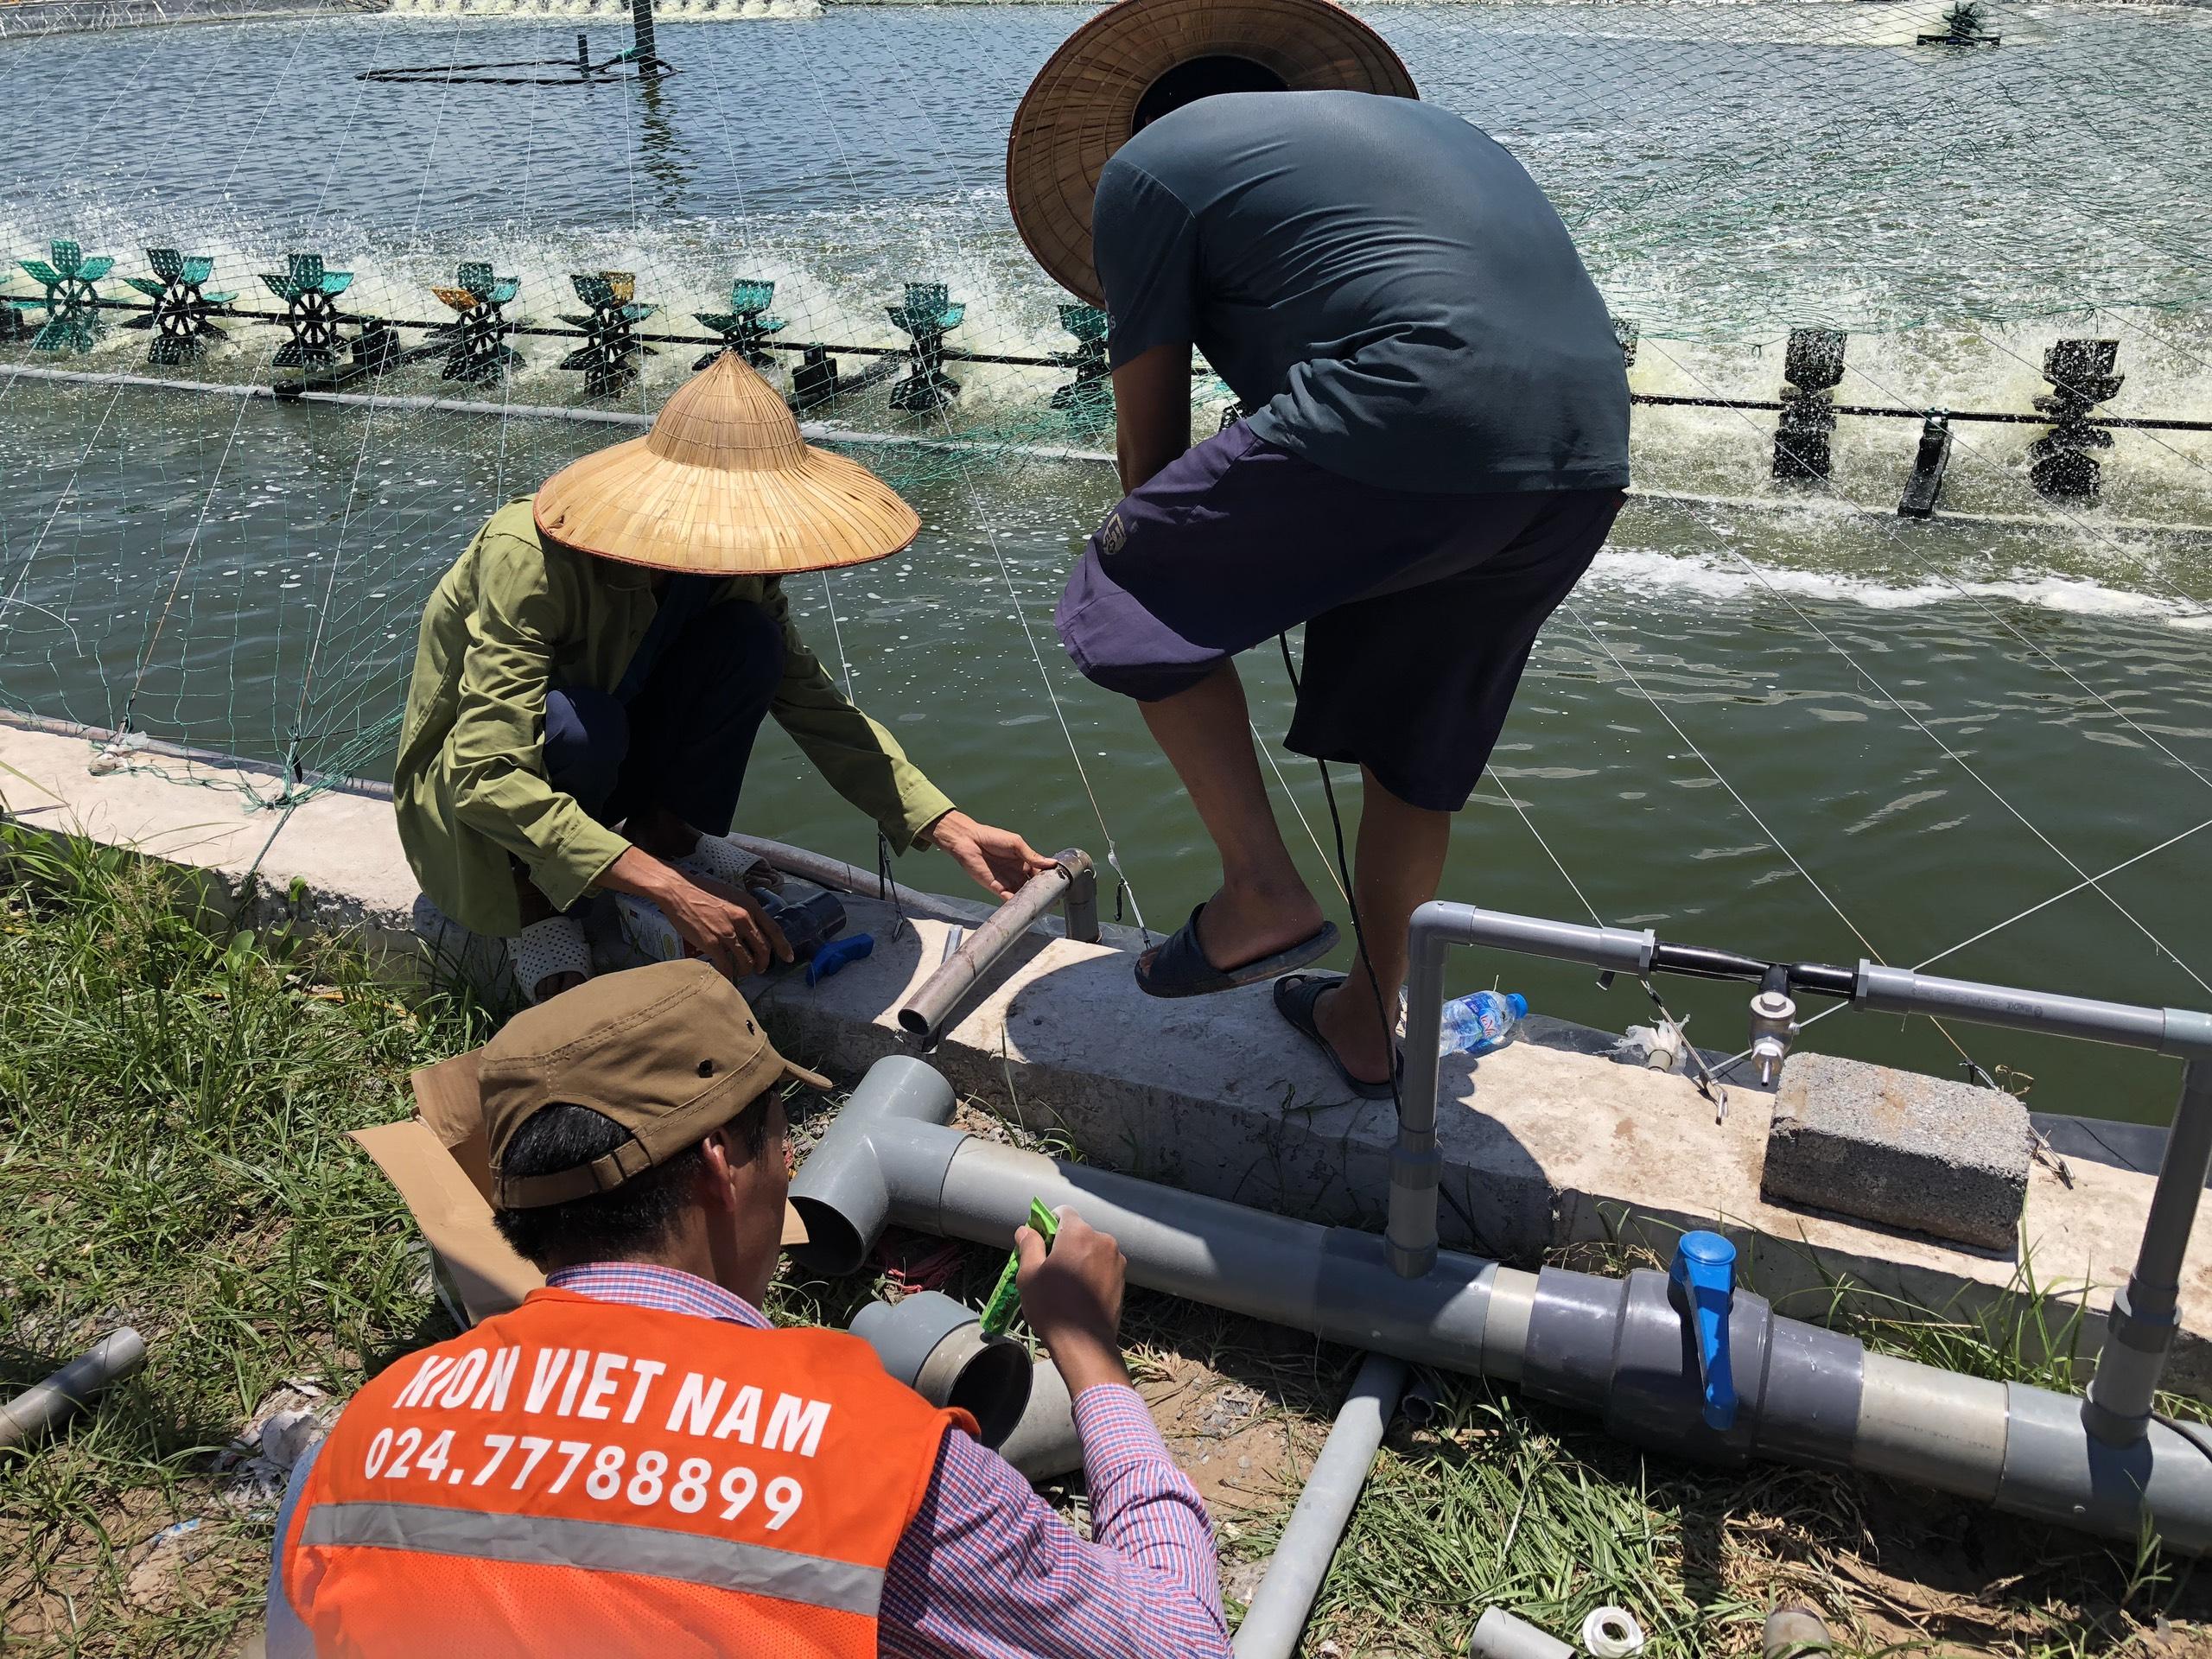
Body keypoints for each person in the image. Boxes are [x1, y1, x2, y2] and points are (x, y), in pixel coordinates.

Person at [1007, 0, 1631, 1096]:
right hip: (1583, 454)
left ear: (1141, 122)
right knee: (1412, 747)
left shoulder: (1145, 173)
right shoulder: (1429, 141)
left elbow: (1148, 446)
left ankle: (1259, 891)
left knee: (1124, 587)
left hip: (1408, 411)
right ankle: (1368, 1018)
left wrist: (1188, 576)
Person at [267, 959, 1233, 1658]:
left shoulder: (363, 1438)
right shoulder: (868, 1464)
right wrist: (1090, 1355)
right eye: (779, 1134)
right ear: (722, 1165)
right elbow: (1181, 1644)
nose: (793, 1164)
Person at [393, 351, 1053, 1004]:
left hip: (610, 752)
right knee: (581, 727)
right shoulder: (532, 556)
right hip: (478, 803)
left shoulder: (732, 568)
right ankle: (535, 902)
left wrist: (946, 825)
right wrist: (672, 893)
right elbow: (486, 774)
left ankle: (665, 836)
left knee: (751, 643)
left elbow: (813, 704)